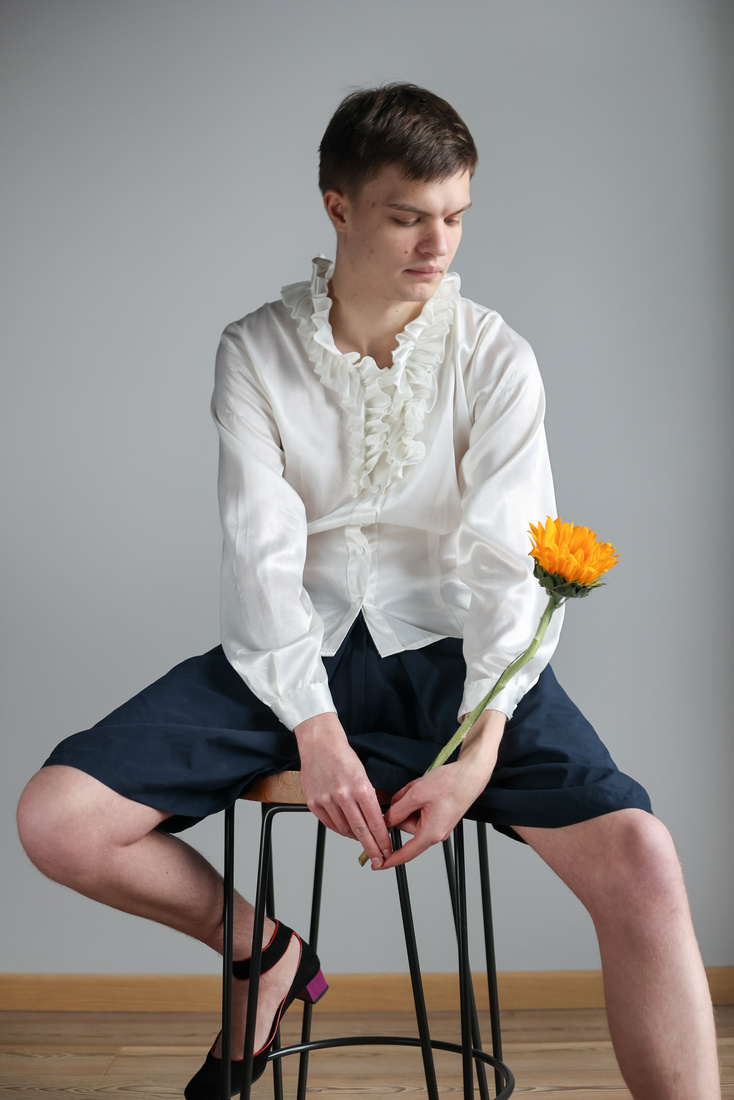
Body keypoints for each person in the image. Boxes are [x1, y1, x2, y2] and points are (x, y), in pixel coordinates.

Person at [17, 84, 720, 1099]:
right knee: (57, 818)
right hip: (288, 656)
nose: (437, 243)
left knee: (644, 859)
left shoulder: (494, 356)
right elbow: (259, 557)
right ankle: (264, 954)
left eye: (455, 215)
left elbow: (499, 565)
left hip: (456, 657)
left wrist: (479, 747)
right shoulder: (252, 352)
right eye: (406, 215)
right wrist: (312, 722)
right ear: (337, 206)